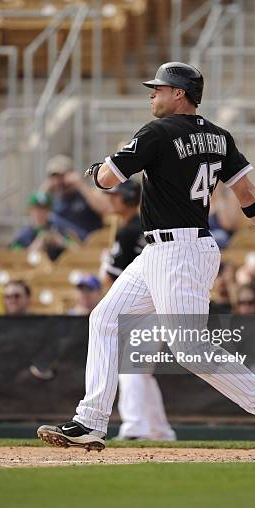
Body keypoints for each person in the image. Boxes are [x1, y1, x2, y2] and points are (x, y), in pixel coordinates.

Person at [38, 61, 255, 457]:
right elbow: (248, 194)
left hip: (180, 252)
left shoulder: (157, 132)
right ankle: (91, 420)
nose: (152, 94)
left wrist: (94, 170)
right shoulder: (219, 137)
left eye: (158, 88)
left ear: (180, 93)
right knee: (105, 319)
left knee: (189, 348)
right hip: (166, 251)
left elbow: (107, 180)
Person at [101, 179, 175, 441]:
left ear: (128, 198)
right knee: (140, 370)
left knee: (131, 366)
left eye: (116, 195)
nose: (112, 199)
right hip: (160, 300)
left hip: (139, 304)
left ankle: (135, 428)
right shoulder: (148, 225)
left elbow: (111, 279)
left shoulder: (128, 231)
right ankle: (159, 430)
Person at [43, 154, 110, 241]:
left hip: (87, 245)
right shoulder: (53, 197)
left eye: (61, 176)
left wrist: (81, 185)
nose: (57, 182)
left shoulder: (85, 193)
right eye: (54, 178)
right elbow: (36, 219)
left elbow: (104, 208)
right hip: (63, 246)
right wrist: (44, 190)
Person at [11, 191, 75, 261]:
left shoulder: (60, 229)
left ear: (49, 210)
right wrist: (36, 246)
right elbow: (14, 258)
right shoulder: (23, 235)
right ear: (30, 210)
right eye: (37, 209)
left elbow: (79, 252)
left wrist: (61, 242)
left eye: (44, 209)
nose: (40, 213)